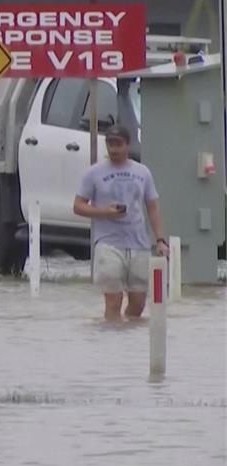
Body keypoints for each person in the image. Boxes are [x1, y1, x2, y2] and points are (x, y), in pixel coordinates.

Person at [73, 125, 168, 321]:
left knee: (138, 304)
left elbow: (153, 208)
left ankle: (127, 343)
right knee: (113, 301)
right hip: (108, 244)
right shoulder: (94, 173)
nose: (114, 149)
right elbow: (78, 206)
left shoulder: (142, 172)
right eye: (110, 144)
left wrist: (160, 239)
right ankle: (111, 342)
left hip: (139, 244)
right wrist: (104, 212)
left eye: (119, 144)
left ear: (128, 144)